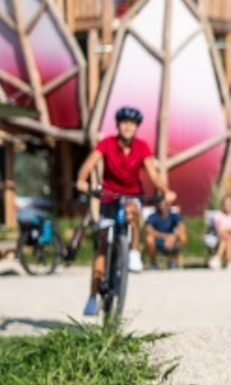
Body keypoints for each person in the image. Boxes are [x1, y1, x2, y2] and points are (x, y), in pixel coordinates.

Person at [72, 106, 173, 316]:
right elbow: (88, 164)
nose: (128, 127)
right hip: (108, 197)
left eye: (132, 124)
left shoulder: (142, 147)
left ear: (137, 128)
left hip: (131, 195)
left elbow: (153, 174)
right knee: (102, 245)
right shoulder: (107, 144)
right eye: (124, 122)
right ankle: (92, 296)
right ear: (118, 125)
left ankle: (133, 252)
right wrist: (82, 181)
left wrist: (165, 190)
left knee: (131, 211)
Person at [143, 196, 186, 271]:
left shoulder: (173, 215)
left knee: (182, 237)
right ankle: (153, 262)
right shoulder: (153, 216)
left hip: (172, 239)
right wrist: (164, 237)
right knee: (149, 239)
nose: (162, 206)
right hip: (158, 240)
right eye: (160, 204)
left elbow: (181, 226)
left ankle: (173, 260)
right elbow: (148, 229)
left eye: (165, 204)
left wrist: (173, 237)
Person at [206, 195, 231, 270]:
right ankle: (229, 262)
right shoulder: (218, 214)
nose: (227, 207)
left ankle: (217, 258)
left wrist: (224, 231)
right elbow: (217, 229)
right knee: (227, 238)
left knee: (227, 238)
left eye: (229, 204)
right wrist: (225, 232)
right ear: (222, 205)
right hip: (218, 238)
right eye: (225, 205)